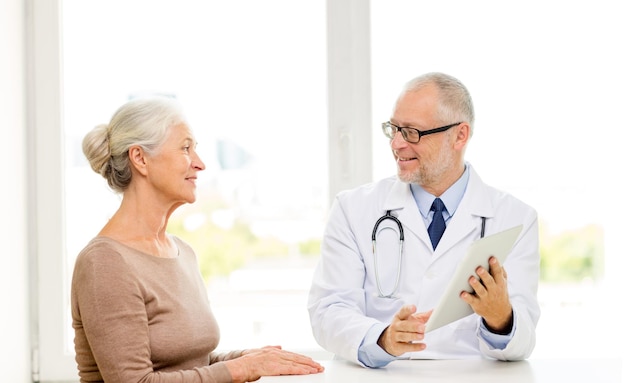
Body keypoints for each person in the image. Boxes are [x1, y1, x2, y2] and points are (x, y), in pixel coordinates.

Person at [71, 96, 324, 383]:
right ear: (140, 158)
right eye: (185, 148)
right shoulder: (105, 263)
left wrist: (248, 359)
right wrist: (240, 369)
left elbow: (191, 365)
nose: (200, 164)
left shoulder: (182, 252)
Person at [307, 72, 540, 368]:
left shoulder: (515, 218)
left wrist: (500, 316)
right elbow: (328, 310)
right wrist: (382, 339)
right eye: (394, 129)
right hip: (383, 374)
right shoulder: (353, 209)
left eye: (412, 132)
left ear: (460, 135)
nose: (397, 145)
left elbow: (524, 338)